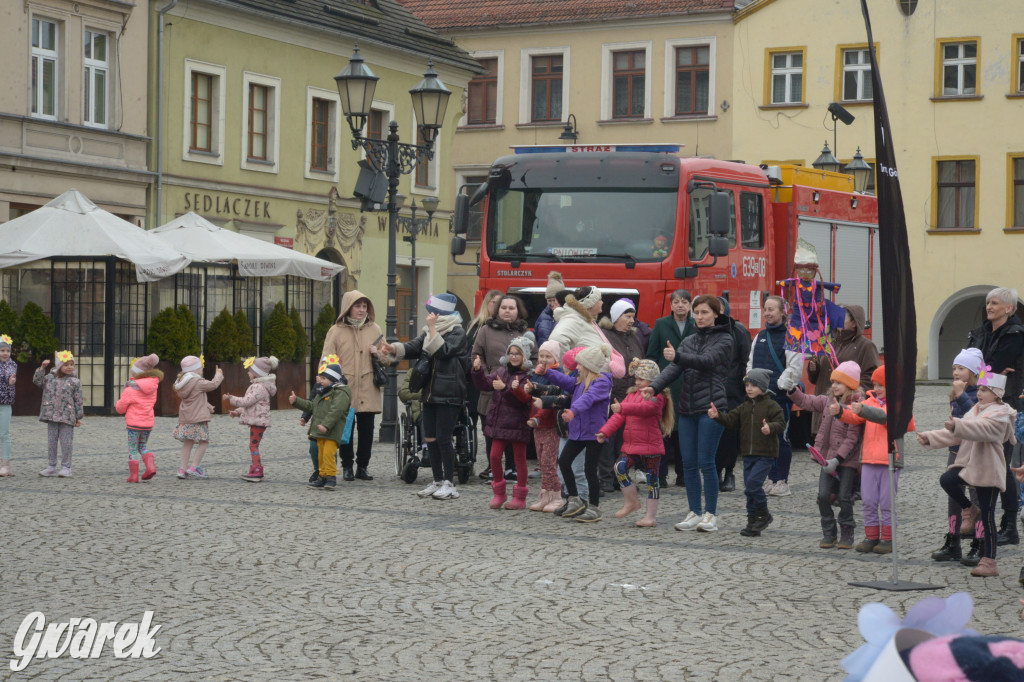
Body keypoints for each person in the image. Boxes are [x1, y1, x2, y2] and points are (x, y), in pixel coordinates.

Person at [644, 295, 733, 533]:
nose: (700, 317)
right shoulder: (690, 340)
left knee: (706, 461)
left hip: (711, 409)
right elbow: (674, 368)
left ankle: (710, 514)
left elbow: (707, 361)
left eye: (705, 312)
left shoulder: (725, 338)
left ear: (716, 314)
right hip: (687, 408)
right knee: (689, 464)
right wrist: (654, 387)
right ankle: (694, 512)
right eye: (698, 312)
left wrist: (679, 357)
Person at [919, 372, 1016, 578]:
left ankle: (989, 561)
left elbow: (980, 430)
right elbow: (958, 432)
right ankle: (968, 508)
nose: (979, 393)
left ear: (996, 394)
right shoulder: (976, 409)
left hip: (988, 471)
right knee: (947, 479)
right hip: (970, 467)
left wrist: (958, 425)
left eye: (984, 390)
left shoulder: (1001, 414)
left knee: (988, 516)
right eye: (979, 389)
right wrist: (930, 437)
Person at [384, 293, 469, 501]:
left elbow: (443, 351)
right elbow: (415, 346)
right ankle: (437, 480)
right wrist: (394, 348)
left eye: (432, 312)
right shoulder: (429, 332)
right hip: (429, 393)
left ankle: (449, 483)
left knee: (443, 438)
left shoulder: (457, 331)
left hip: (449, 394)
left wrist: (432, 329)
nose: (428, 316)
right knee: (429, 436)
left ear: (439, 314)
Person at [836, 366, 914, 554]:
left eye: (882, 385)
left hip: (890, 461)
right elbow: (855, 417)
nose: (877, 388)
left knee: (887, 503)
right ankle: (871, 536)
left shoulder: (900, 404)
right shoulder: (869, 402)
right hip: (869, 459)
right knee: (869, 501)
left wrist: (864, 411)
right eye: (875, 385)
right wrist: (840, 411)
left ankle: (888, 539)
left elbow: (900, 422)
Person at [968, 287, 1024, 546]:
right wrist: (986, 372)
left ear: (1008, 308)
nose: (989, 306)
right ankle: (981, 520)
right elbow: (970, 366)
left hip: (1005, 405)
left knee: (1000, 464)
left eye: (995, 303)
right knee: (981, 462)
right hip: (978, 403)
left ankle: (1009, 524)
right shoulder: (980, 332)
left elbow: (985, 367)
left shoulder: (1015, 334)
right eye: (988, 302)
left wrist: (981, 371)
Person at [789, 361, 864, 549]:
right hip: (827, 459)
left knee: (844, 497)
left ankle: (847, 532)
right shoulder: (827, 400)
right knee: (823, 496)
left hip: (847, 460)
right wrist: (792, 389)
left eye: (840, 382)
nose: (835, 386)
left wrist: (837, 460)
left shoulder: (856, 405)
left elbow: (853, 438)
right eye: (834, 382)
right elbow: (806, 401)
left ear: (851, 385)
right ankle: (829, 532)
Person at [539, 343, 614, 522]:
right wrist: (547, 372)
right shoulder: (580, 382)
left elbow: (588, 399)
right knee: (564, 462)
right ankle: (574, 499)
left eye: (580, 364)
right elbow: (566, 381)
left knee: (590, 469)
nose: (577, 367)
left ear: (588, 366)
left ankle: (594, 507)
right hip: (579, 432)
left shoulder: (602, 382)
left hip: (595, 433)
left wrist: (573, 411)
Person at [708, 368, 786, 537]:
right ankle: (752, 521)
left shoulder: (772, 405)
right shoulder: (743, 407)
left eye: (754, 385)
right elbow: (730, 420)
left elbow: (781, 423)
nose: (749, 388)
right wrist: (717, 416)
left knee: (753, 484)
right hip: (748, 454)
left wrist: (769, 428)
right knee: (749, 489)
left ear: (763, 387)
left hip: (765, 453)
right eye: (747, 385)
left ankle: (764, 514)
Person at [597, 358, 673, 527]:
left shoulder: (657, 396)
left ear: (653, 380)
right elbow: (618, 416)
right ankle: (631, 502)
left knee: (652, 480)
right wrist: (605, 431)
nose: (637, 382)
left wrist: (623, 408)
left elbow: (646, 409)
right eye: (636, 379)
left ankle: (650, 516)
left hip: (651, 444)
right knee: (619, 468)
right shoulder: (631, 395)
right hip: (632, 445)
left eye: (641, 379)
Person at [321, 289, 384, 482]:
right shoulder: (336, 331)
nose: (362, 310)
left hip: (368, 387)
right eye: (358, 306)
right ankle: (347, 466)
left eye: (364, 306)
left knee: (367, 430)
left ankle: (362, 467)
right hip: (343, 387)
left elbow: (387, 356)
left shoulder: (376, 329)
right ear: (348, 308)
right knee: (344, 429)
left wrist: (378, 354)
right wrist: (323, 380)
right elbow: (326, 357)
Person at [930, 348, 983, 563]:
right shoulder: (955, 393)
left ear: (973, 372)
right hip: (955, 451)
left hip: (976, 454)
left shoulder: (979, 393)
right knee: (954, 496)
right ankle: (953, 539)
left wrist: (961, 396)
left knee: (978, 496)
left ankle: (980, 542)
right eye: (953, 368)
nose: (955, 372)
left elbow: (976, 417)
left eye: (961, 368)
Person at [471, 293, 531, 481]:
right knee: (491, 430)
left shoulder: (525, 332)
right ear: (497, 310)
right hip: (492, 386)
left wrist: (525, 377)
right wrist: (479, 368)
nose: (507, 311)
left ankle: (511, 468)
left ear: (517, 311)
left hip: (517, 388)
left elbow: (534, 357)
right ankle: (492, 467)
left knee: (514, 430)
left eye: (511, 308)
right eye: (504, 308)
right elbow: (475, 354)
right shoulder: (486, 330)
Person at [748, 295, 803, 497]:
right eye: (766, 309)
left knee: (781, 438)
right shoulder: (760, 336)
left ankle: (782, 481)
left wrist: (781, 386)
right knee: (766, 438)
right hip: (760, 398)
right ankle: (771, 479)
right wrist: (750, 382)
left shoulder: (792, 336)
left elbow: (795, 368)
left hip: (779, 398)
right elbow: (751, 362)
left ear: (783, 312)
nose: (768, 313)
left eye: (772, 309)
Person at [472, 333, 535, 509]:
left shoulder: (526, 376)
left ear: (524, 357)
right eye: (511, 353)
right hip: (500, 422)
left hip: (518, 423)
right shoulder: (501, 371)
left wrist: (507, 389)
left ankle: (520, 497)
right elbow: (485, 384)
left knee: (519, 459)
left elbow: (523, 399)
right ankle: (499, 493)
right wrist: (477, 371)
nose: (513, 357)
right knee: (494, 456)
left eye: (517, 354)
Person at [646, 289, 697, 487]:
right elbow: (652, 354)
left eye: (684, 301)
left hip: (689, 382)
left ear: (690, 305)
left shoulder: (695, 324)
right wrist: (654, 379)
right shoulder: (661, 324)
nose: (680, 305)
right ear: (671, 305)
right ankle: (661, 474)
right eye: (676, 301)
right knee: (664, 429)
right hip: (666, 384)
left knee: (685, 431)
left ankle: (684, 474)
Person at [806, 304, 879, 435]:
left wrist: (848, 393)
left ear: (854, 323)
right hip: (825, 408)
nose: (836, 319)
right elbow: (816, 379)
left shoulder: (866, 346)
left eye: (842, 316)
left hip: (846, 411)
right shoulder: (829, 343)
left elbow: (870, 379)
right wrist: (814, 369)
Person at [598, 298, 645, 493]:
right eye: (627, 316)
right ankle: (606, 477)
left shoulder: (634, 337)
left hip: (630, 395)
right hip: (612, 394)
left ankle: (620, 475)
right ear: (617, 317)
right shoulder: (605, 336)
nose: (631, 320)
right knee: (609, 438)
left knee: (626, 440)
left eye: (633, 316)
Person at [289, 361, 352, 491]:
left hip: (331, 431)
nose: (320, 381)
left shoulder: (341, 392)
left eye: (323, 378)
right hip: (321, 431)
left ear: (333, 378)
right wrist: (297, 401)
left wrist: (326, 425)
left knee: (328, 453)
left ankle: (331, 477)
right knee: (321, 454)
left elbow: (336, 411)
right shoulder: (322, 391)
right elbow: (312, 406)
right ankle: (322, 476)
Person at [548, 285, 626, 379]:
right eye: (600, 300)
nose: (602, 302)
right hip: (585, 383)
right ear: (590, 304)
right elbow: (556, 340)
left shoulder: (585, 319)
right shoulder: (573, 319)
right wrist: (568, 371)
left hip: (592, 382)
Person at [715, 298, 752, 494]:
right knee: (712, 434)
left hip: (732, 392)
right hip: (710, 390)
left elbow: (746, 360)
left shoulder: (739, 331)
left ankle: (729, 472)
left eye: (719, 310)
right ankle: (715, 472)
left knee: (729, 434)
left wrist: (745, 387)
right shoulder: (706, 331)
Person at [223, 355, 279, 482]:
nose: (248, 373)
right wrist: (237, 412)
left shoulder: (258, 387)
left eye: (250, 371)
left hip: (258, 421)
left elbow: (247, 401)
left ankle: (257, 470)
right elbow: (252, 406)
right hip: (258, 420)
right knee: (253, 445)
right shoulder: (260, 386)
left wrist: (230, 398)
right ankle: (255, 468)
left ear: (256, 373)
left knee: (253, 446)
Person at [524, 340, 564, 511]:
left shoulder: (557, 374)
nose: (544, 359)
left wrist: (538, 418)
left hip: (549, 424)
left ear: (555, 358)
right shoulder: (537, 373)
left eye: (548, 356)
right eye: (541, 355)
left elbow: (549, 403)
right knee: (541, 461)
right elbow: (532, 398)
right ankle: (545, 493)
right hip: (537, 423)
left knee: (549, 462)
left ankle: (556, 495)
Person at [172, 355, 223, 480]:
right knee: (204, 441)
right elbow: (213, 385)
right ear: (195, 370)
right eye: (200, 368)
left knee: (188, 443)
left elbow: (194, 398)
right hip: (198, 418)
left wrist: (207, 405)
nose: (202, 370)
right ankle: (194, 467)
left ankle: (182, 469)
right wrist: (219, 375)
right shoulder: (198, 382)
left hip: (186, 418)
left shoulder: (181, 384)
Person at [34, 350, 83, 478]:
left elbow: (78, 400)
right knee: (52, 442)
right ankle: (51, 466)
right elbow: (37, 381)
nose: (70, 367)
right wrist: (42, 368)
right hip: (51, 415)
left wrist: (78, 417)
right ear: (59, 366)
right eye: (66, 364)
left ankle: (66, 467)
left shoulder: (75, 382)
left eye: (72, 364)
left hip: (67, 417)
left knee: (66, 442)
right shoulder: (49, 378)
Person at [115, 354, 163, 483]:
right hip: (148, 423)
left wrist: (118, 405)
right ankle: (150, 467)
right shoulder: (153, 386)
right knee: (142, 446)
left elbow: (121, 408)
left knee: (132, 448)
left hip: (133, 424)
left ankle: (134, 476)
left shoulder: (131, 388)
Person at [466, 289, 503, 439]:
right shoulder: (476, 327)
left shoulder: (505, 328)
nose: (499, 307)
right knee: (478, 419)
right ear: (488, 304)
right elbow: (468, 354)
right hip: (476, 380)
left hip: (497, 380)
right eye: (496, 303)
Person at [302, 354, 343, 484]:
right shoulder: (318, 385)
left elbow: (338, 407)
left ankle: (330, 474)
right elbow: (311, 402)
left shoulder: (340, 386)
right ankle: (318, 470)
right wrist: (305, 417)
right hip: (318, 424)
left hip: (331, 425)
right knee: (314, 448)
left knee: (329, 451)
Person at [0, 334, 17, 477]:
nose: (5, 353)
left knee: (3, 434)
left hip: (4, 403)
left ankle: (5, 465)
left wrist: (11, 381)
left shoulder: (12, 364)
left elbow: (9, 374)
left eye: (7, 351)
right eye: (2, 350)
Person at [534, 271, 566, 348]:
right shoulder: (542, 316)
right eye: (549, 300)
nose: (551, 304)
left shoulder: (569, 315)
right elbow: (535, 339)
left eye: (554, 300)